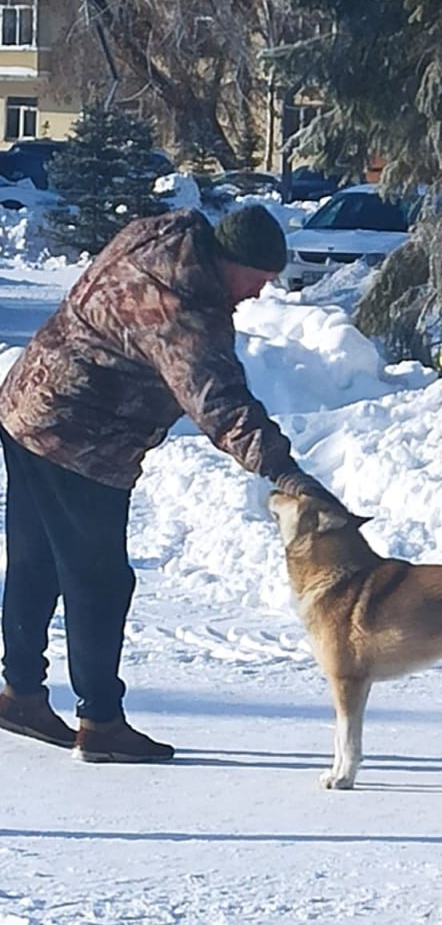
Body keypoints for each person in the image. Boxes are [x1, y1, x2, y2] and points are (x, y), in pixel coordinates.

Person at [0, 203, 342, 763]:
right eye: (258, 281)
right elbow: (219, 402)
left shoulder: (157, 238)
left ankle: (21, 694)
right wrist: (283, 470)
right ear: (232, 261)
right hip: (81, 437)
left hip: (26, 403)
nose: (257, 295)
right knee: (100, 581)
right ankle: (101, 723)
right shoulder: (183, 307)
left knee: (37, 559)